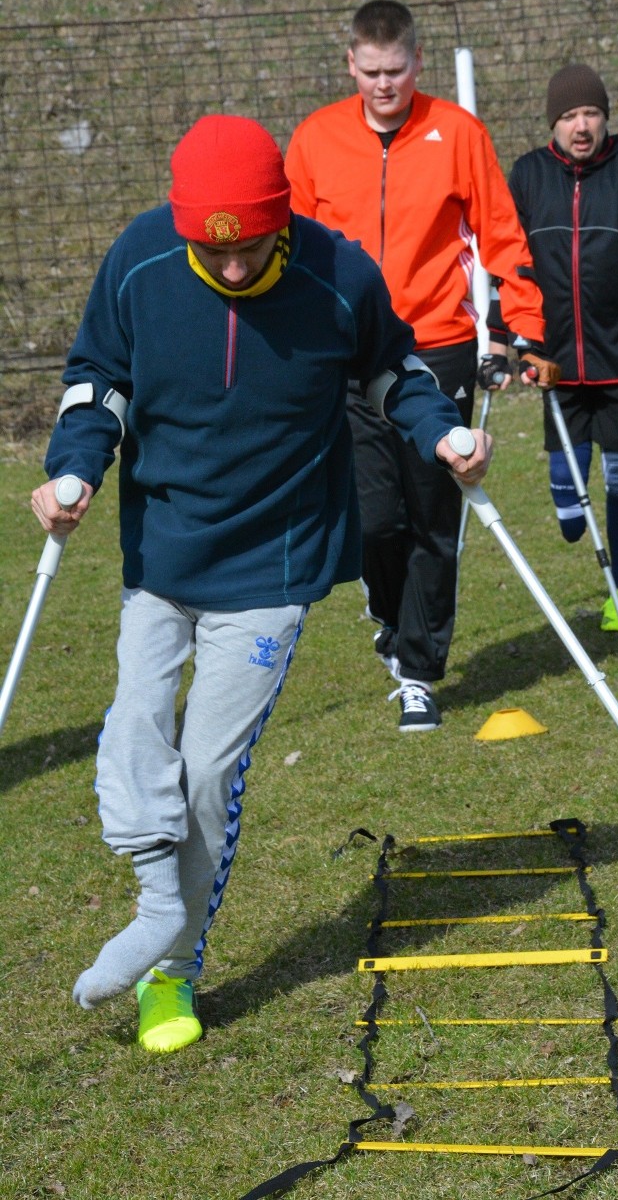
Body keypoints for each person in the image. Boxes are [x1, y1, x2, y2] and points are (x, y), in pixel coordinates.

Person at [30, 114, 491, 1053]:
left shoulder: (338, 274)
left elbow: (395, 370)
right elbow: (97, 377)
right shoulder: (140, 261)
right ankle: (159, 899)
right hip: (164, 555)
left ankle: (173, 964)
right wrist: (76, 464)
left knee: (206, 776)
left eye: (250, 250)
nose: (231, 270)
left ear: (282, 216)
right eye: (212, 251)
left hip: (272, 570)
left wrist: (442, 431)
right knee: (134, 726)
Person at [285, 0, 544, 732]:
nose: (383, 86)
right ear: (350, 66)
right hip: (348, 352)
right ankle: (389, 614)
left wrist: (519, 328)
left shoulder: (456, 133)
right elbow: (292, 251)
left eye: (395, 71)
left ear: (417, 63)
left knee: (434, 510)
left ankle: (420, 670)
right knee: (373, 517)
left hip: (438, 345)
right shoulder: (314, 139)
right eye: (369, 72)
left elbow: (500, 232)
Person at [508, 63, 618, 631]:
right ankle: (570, 511)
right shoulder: (529, 175)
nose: (580, 126)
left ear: (605, 116)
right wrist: (509, 340)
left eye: (590, 113)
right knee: (568, 502)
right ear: (552, 125)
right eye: (568, 116)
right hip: (555, 361)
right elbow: (509, 264)